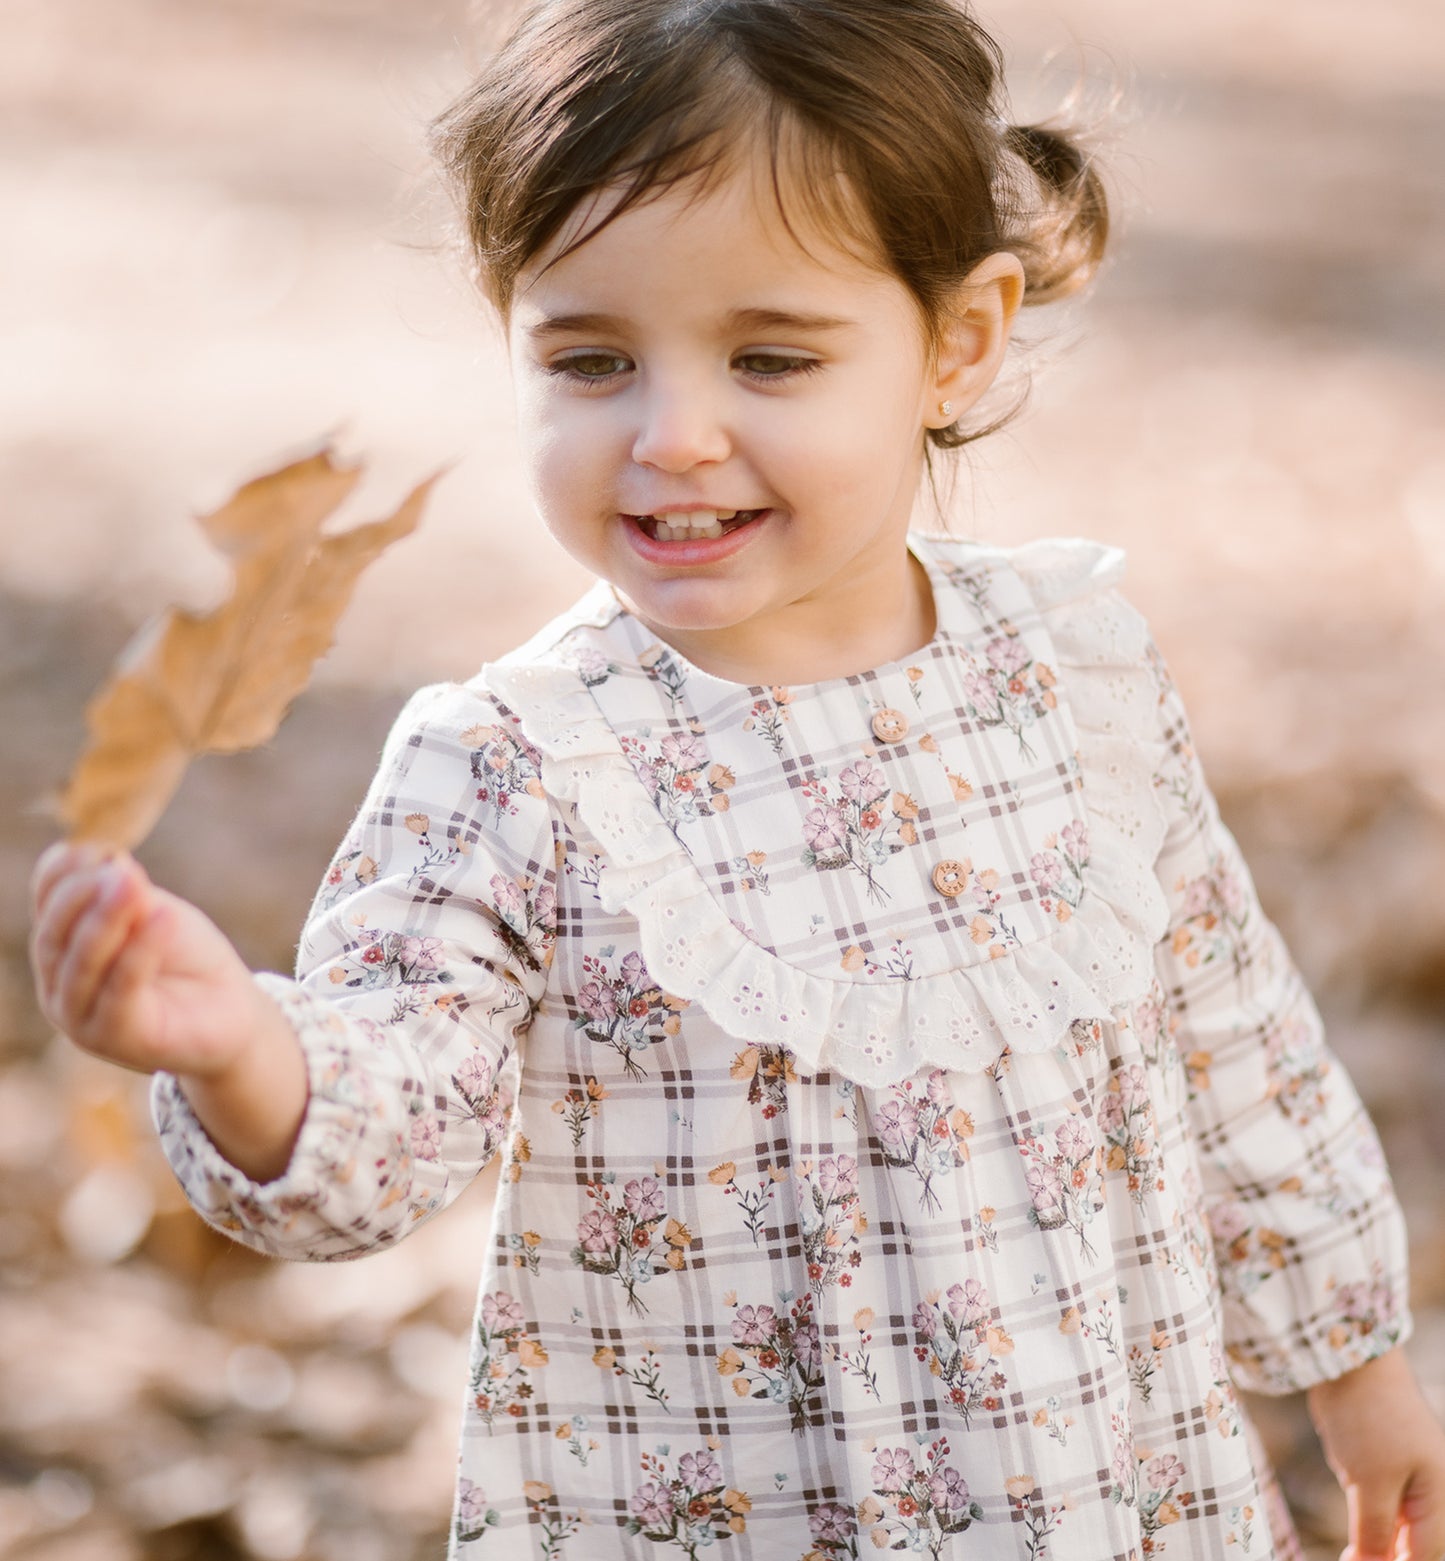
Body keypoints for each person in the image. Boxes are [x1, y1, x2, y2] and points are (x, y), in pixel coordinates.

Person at [28, 0, 1445, 1556]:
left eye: (770, 356)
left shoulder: (1070, 676)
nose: (673, 433)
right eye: (590, 359)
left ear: (954, 341)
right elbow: (392, 1118)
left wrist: (1351, 1360)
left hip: (1096, 1492)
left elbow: (1233, 1032)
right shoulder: (522, 764)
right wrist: (237, 1044)